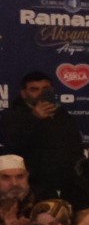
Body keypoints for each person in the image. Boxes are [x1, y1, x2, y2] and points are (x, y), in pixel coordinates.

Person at [0, 72, 84, 200]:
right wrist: (34, 118)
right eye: (34, 89)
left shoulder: (63, 115)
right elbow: (13, 145)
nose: (41, 93)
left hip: (67, 183)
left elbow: (74, 145)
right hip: (34, 186)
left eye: (45, 89)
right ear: (23, 93)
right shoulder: (12, 116)